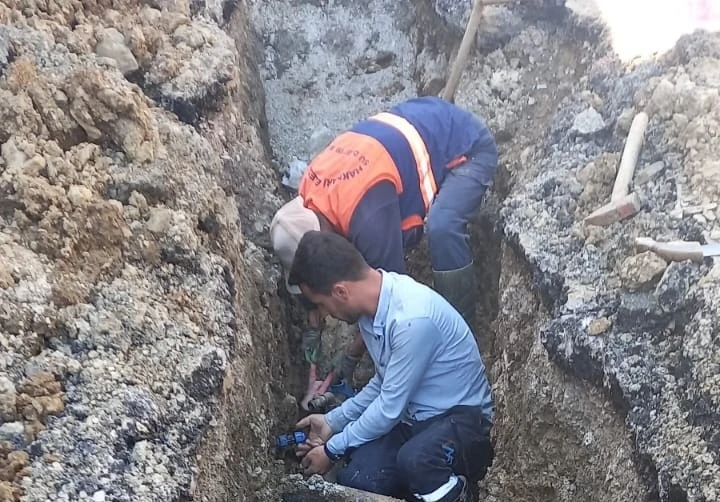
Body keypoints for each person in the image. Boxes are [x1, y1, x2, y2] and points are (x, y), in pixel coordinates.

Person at [270, 96, 498, 383]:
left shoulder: (368, 219)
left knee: (442, 226)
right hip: (418, 122)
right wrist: (313, 332)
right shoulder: (309, 191)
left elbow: (392, 301)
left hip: (465, 147)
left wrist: (351, 356)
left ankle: (461, 330)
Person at [288, 231, 495, 502]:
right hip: (415, 418)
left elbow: (388, 409)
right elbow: (384, 384)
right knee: (359, 480)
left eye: (321, 304)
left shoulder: (412, 319)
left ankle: (460, 493)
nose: (325, 313)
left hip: (462, 420)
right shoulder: (370, 313)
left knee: (416, 462)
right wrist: (332, 421)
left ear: (340, 291)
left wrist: (331, 450)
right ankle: (423, 491)